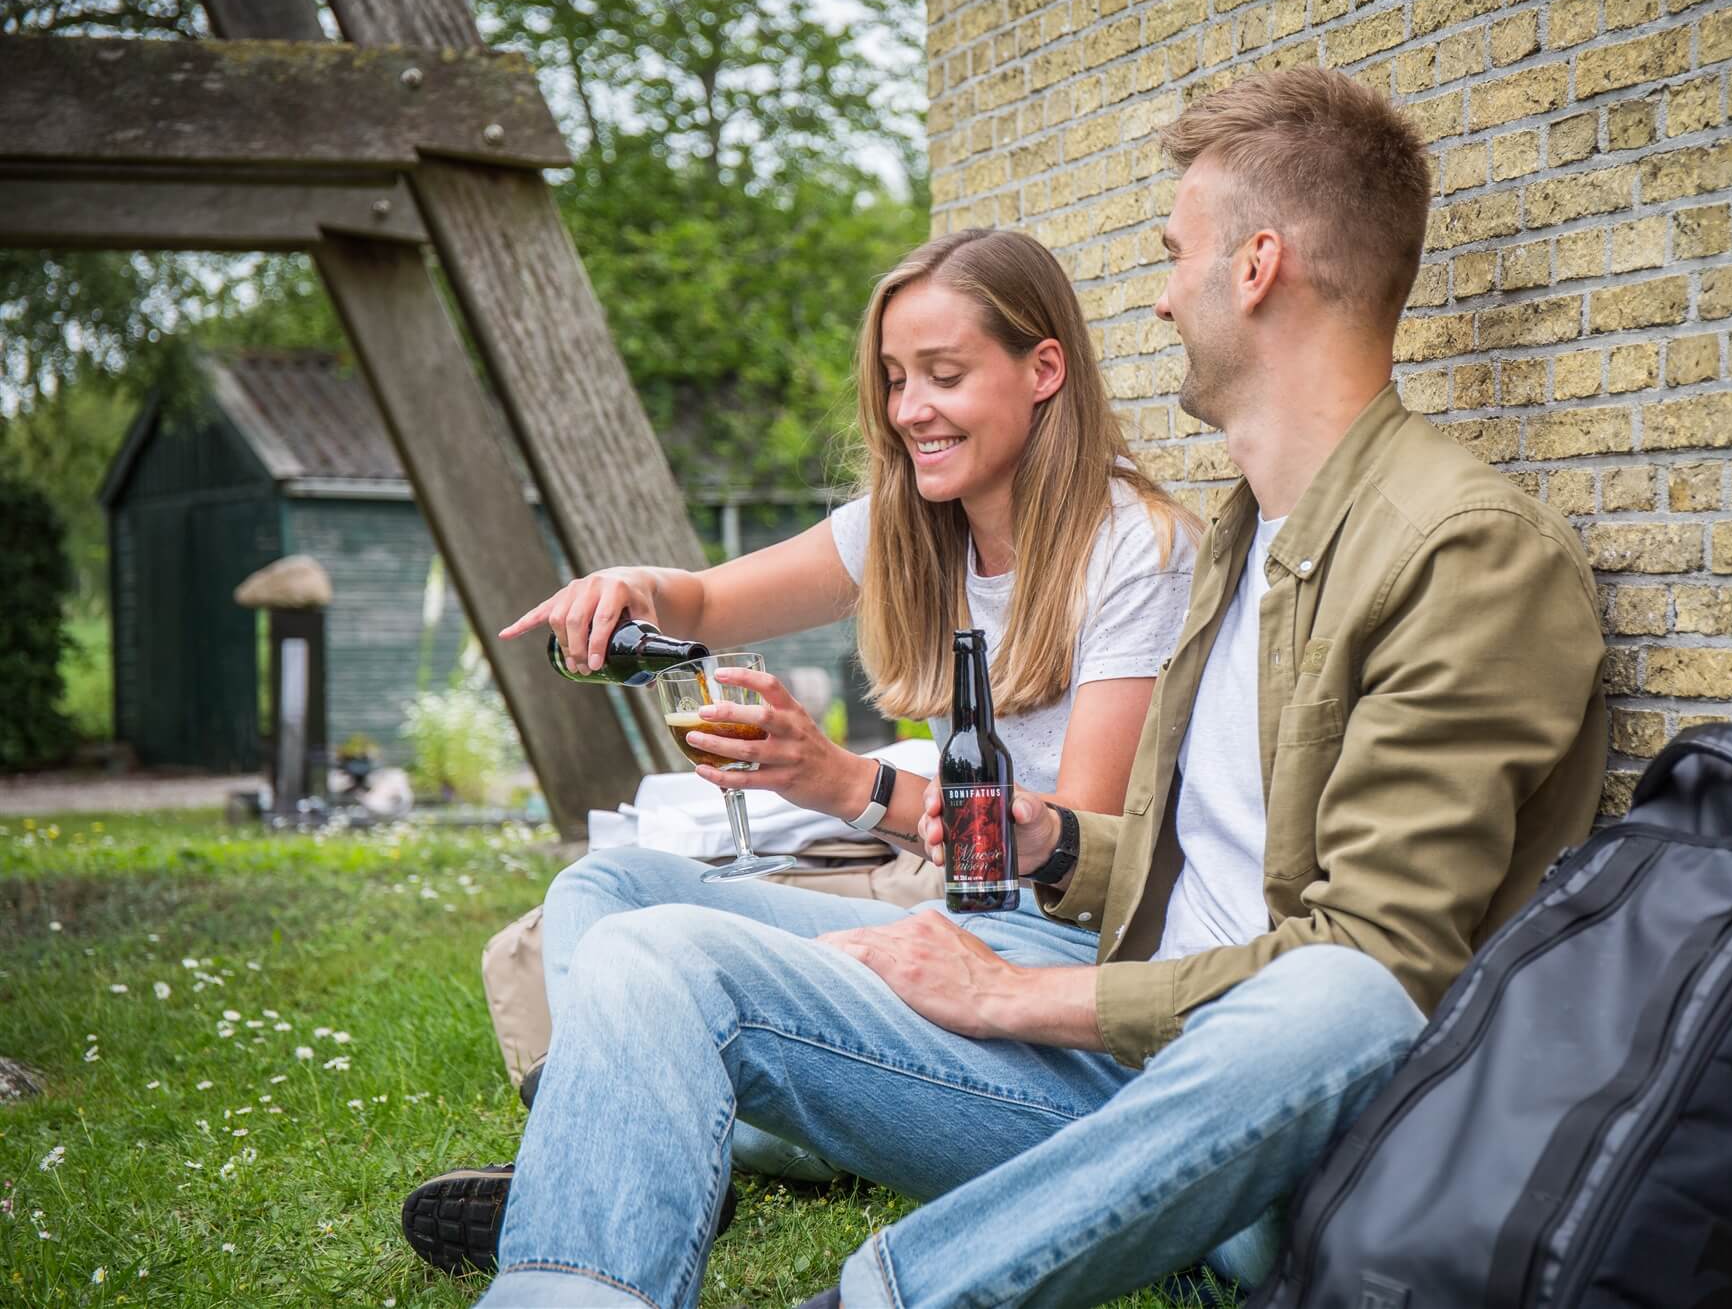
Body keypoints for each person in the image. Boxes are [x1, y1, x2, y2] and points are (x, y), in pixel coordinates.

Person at [462, 66, 1609, 1309]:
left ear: (1257, 266)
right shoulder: (1248, 538)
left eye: (1175, 254)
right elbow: (1197, 877)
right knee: (644, 947)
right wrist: (1052, 842)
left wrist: (1018, 986)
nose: (1160, 298)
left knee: (1338, 998)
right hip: (1109, 1033)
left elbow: (1381, 973)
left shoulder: (1463, 549)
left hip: (1243, 1107)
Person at [398, 228, 1199, 1273]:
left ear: (1043, 369)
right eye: (895, 378)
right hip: (959, 916)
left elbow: (1074, 868)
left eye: (944, 375)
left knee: (679, 966)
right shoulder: (915, 519)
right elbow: (702, 600)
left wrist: (845, 783)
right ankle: (615, 1146)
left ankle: (640, 1148)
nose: (910, 408)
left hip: (1057, 970)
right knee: (604, 891)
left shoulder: (1132, 547)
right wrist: (627, 589)